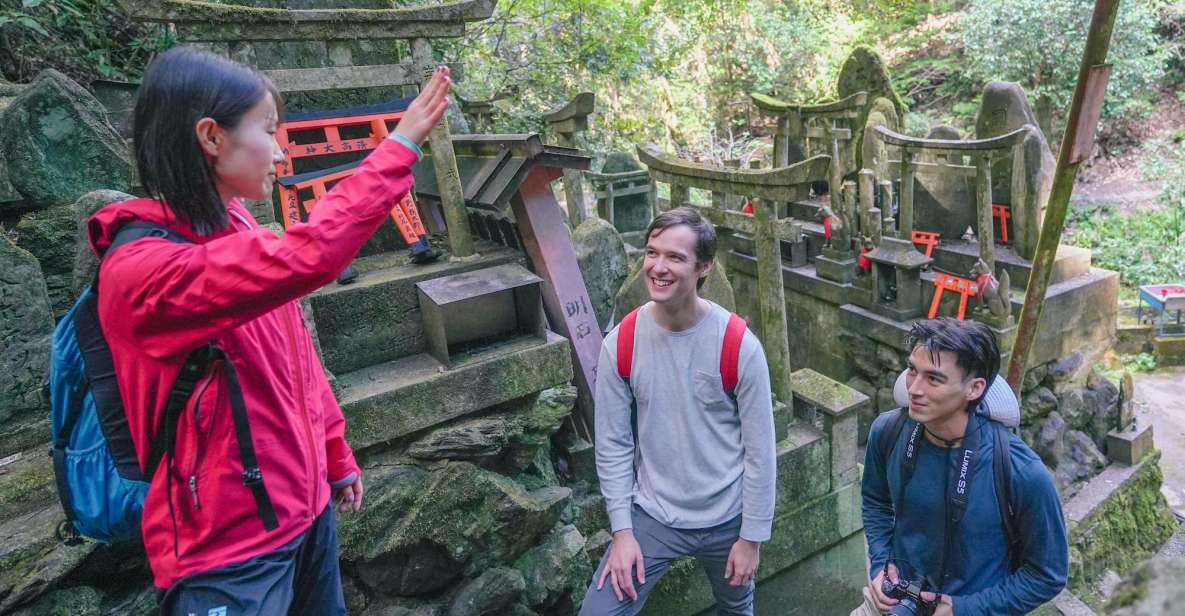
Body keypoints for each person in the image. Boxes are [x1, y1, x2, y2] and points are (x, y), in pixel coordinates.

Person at [85, 47, 451, 615]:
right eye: (269, 131)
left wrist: (333, 450)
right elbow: (311, 254)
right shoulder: (143, 274)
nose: (281, 153)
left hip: (304, 513)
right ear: (211, 137)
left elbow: (291, 356)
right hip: (227, 552)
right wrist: (397, 148)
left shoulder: (233, 222)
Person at [580, 207, 777, 615]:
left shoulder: (737, 344)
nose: (658, 267)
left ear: (704, 266)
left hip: (727, 517)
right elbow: (613, 444)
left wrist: (752, 538)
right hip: (653, 514)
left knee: (736, 608)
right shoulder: (622, 342)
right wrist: (621, 531)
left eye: (675, 257)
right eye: (652, 253)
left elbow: (760, 452)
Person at [854, 318, 1068, 616]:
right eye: (912, 370)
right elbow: (876, 502)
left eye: (934, 379)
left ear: (974, 388)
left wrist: (964, 608)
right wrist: (880, 565)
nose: (914, 388)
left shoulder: (1021, 472)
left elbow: (1047, 575)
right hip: (894, 601)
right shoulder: (888, 431)